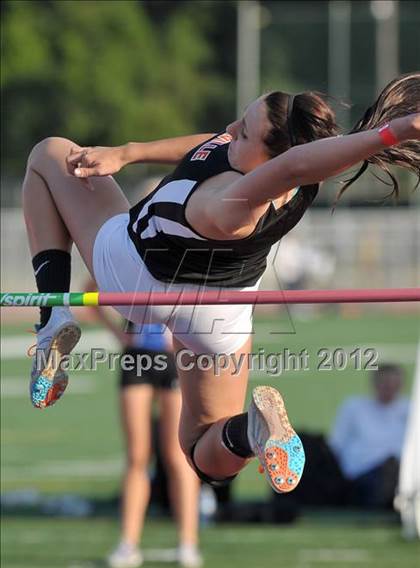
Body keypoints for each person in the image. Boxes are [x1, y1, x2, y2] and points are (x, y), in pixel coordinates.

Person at [24, 72, 420, 496]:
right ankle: (250, 433)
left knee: (50, 154)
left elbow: (293, 165)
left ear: (273, 162)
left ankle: (52, 319)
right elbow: (223, 145)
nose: (230, 132)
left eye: (244, 131)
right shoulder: (276, 169)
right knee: (203, 455)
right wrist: (128, 153)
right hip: (220, 315)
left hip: (138, 279)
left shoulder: (236, 204)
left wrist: (392, 132)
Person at [84, 285, 202, 568]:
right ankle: (128, 544)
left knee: (177, 456)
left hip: (175, 358)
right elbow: (90, 292)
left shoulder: (181, 253)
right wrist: (119, 335)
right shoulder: (132, 251)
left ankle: (188, 544)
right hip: (137, 358)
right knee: (137, 456)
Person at [329, 364, 410, 509]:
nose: (389, 389)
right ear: (375, 384)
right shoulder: (354, 407)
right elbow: (337, 444)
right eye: (385, 384)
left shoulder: (410, 410)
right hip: (364, 471)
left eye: (393, 385)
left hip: (400, 471)